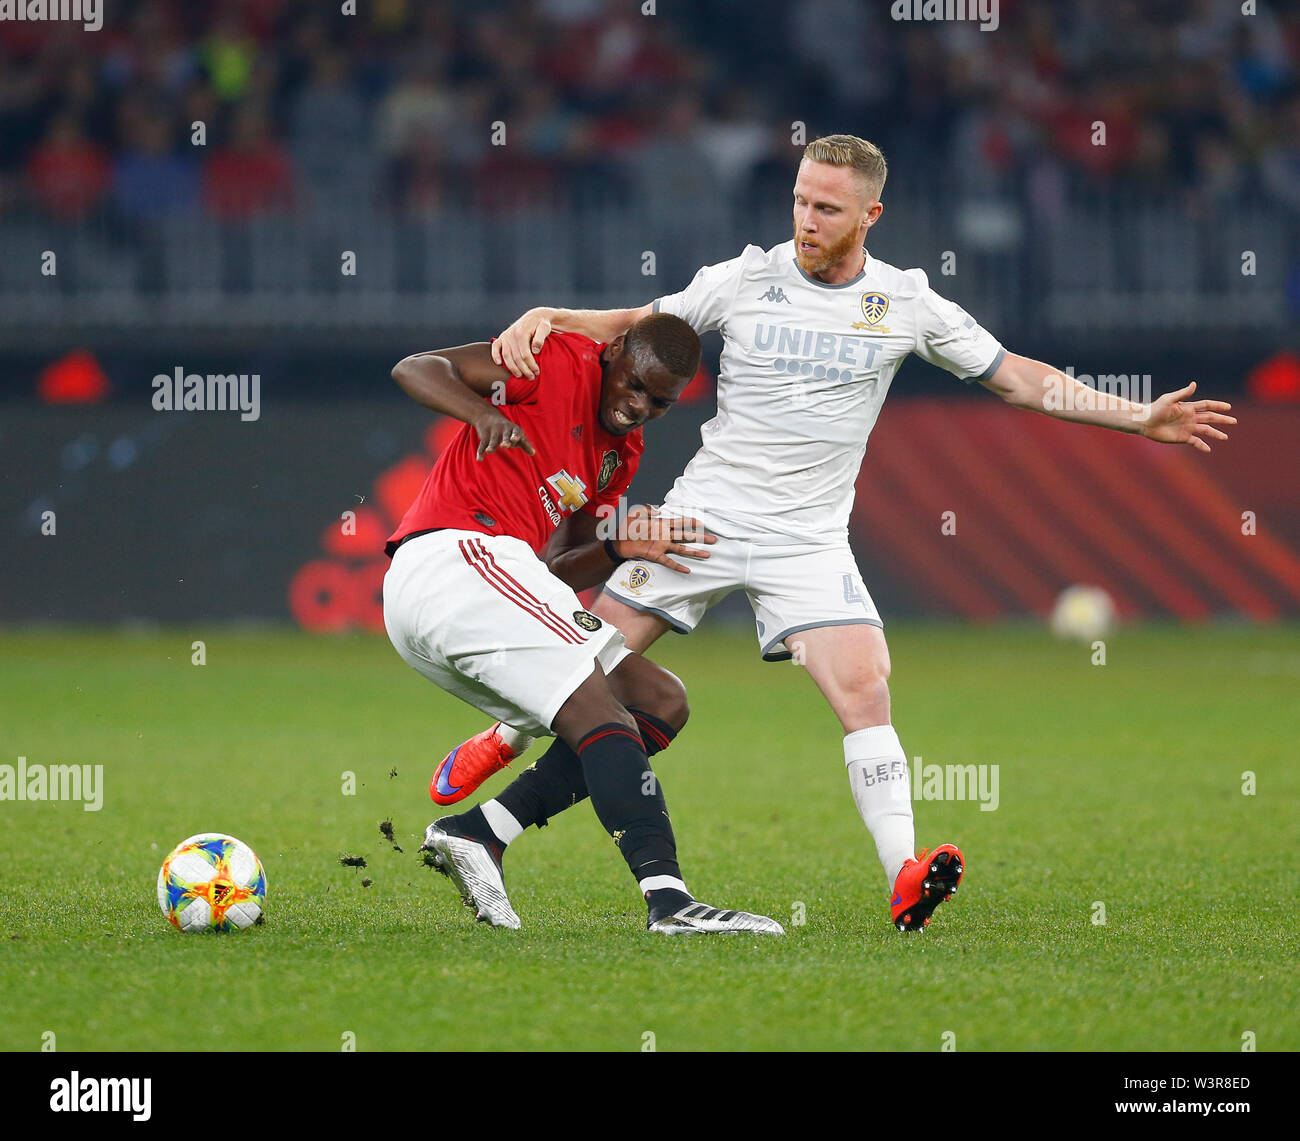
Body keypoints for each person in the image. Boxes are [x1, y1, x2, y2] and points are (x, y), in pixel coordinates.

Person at [433, 134, 1237, 932]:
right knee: (585, 668)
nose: (806, 220)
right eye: (799, 201)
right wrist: (553, 316)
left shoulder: (908, 303)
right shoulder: (746, 277)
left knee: (865, 688)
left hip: (809, 539)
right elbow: (638, 321)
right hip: (700, 518)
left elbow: (1020, 378)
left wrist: (1137, 416)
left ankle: (904, 874)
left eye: (826, 208)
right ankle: (503, 735)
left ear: (870, 215)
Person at [383, 312, 783, 936]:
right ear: (614, 351)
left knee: (658, 700)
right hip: (456, 559)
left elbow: (556, 569)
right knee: (600, 712)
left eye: (660, 401)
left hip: (493, 582)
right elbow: (415, 368)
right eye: (634, 385)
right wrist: (483, 413)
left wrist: (620, 548)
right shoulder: (559, 361)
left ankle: (481, 832)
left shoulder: (617, 456)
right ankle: (670, 904)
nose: (639, 407)